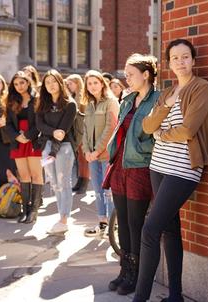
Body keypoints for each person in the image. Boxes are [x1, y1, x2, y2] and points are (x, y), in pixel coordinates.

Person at [134, 39, 208, 302]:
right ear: (169, 63)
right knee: (169, 229)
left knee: (149, 229)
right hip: (158, 166)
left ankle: (140, 297)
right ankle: (176, 296)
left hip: (183, 168)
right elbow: (147, 127)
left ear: (193, 60)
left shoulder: (201, 88)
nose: (181, 62)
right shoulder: (167, 92)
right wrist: (166, 107)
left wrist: (162, 134)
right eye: (175, 58)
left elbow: (189, 129)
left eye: (185, 57)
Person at [105, 54, 160, 295]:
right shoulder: (127, 99)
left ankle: (136, 275)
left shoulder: (158, 99)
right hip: (120, 166)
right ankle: (124, 270)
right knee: (123, 222)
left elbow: (157, 135)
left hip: (140, 168)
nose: (126, 78)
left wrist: (140, 149)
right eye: (125, 74)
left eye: (131, 74)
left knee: (136, 223)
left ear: (146, 74)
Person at [36, 69, 78, 234]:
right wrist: (52, 132)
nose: (51, 85)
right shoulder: (42, 104)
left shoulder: (70, 104)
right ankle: (61, 216)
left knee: (63, 182)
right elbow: (39, 125)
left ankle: (64, 219)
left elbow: (64, 129)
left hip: (65, 147)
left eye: (54, 81)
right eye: (47, 82)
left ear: (60, 83)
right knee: (53, 183)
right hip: (47, 146)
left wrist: (53, 131)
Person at [82, 70, 119, 236]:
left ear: (102, 83)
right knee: (97, 190)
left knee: (108, 191)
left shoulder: (111, 102)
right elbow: (84, 130)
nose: (92, 86)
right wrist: (86, 151)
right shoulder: (89, 105)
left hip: (106, 155)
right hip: (91, 156)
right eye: (89, 83)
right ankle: (102, 222)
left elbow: (111, 128)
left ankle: (113, 225)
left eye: (95, 82)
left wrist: (97, 150)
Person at [5, 71, 43, 224]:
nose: (19, 86)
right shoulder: (11, 101)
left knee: (36, 175)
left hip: (33, 141)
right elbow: (7, 124)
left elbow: (40, 122)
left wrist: (28, 135)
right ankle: (25, 210)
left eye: (22, 83)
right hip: (18, 142)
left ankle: (34, 211)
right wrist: (17, 136)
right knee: (24, 176)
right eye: (16, 84)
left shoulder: (37, 99)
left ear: (28, 83)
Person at [65, 74, 90, 193]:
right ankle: (80, 181)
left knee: (84, 159)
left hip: (83, 132)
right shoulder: (72, 96)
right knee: (79, 159)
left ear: (77, 83)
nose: (69, 86)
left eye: (71, 83)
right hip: (75, 131)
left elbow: (84, 116)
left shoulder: (82, 97)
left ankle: (84, 183)